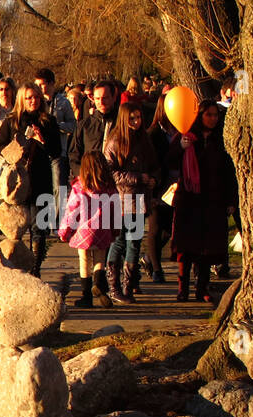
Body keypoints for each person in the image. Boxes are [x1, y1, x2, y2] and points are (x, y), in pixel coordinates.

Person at [168, 100, 239, 303]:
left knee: (208, 249)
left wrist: (231, 199)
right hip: (189, 199)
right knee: (186, 247)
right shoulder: (186, 137)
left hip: (213, 199)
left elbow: (229, 172)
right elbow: (170, 162)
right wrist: (181, 148)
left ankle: (202, 287)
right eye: (208, 115)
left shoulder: (221, 140)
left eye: (215, 115)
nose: (213, 119)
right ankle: (183, 288)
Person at [0, 81, 63, 276]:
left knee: (39, 226)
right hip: (18, 180)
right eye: (29, 97)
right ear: (22, 99)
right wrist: (14, 152)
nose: (34, 101)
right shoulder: (12, 121)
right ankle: (17, 266)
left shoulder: (48, 121)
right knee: (16, 227)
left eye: (37, 97)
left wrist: (42, 141)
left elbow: (56, 151)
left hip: (41, 177)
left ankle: (35, 269)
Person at [103, 98, 159, 303]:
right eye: (132, 118)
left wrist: (153, 179)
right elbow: (110, 172)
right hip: (122, 197)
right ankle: (113, 286)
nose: (136, 121)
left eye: (138, 117)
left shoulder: (144, 139)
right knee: (119, 241)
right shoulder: (115, 141)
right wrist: (137, 178)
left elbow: (154, 164)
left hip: (140, 198)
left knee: (134, 242)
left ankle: (129, 285)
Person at [58, 150, 118, 308]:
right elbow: (115, 210)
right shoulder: (109, 187)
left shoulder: (79, 187)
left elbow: (72, 211)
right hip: (103, 229)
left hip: (83, 231)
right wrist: (115, 229)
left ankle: (86, 297)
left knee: (84, 262)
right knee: (99, 261)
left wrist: (64, 232)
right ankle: (98, 283)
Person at [143, 91, 178, 285]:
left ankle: (149, 258)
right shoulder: (154, 133)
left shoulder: (181, 130)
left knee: (169, 228)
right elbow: (154, 161)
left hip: (176, 185)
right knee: (156, 228)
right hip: (158, 185)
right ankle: (157, 268)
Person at [68, 79, 120, 179]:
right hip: (90, 180)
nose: (101, 102)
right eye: (97, 98)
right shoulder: (84, 125)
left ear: (114, 98)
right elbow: (74, 155)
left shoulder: (122, 123)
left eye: (105, 98)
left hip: (118, 181)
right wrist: (82, 174)